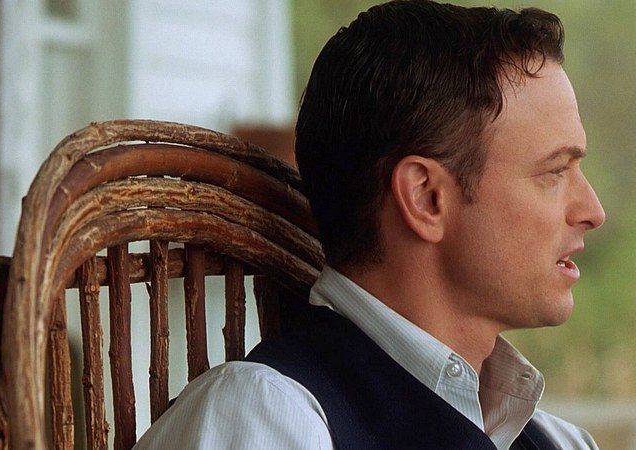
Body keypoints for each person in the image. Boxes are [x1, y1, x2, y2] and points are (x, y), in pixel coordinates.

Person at [135, 0, 605, 448]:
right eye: (554, 172)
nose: (593, 210)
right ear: (426, 198)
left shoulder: (562, 442)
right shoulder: (264, 419)